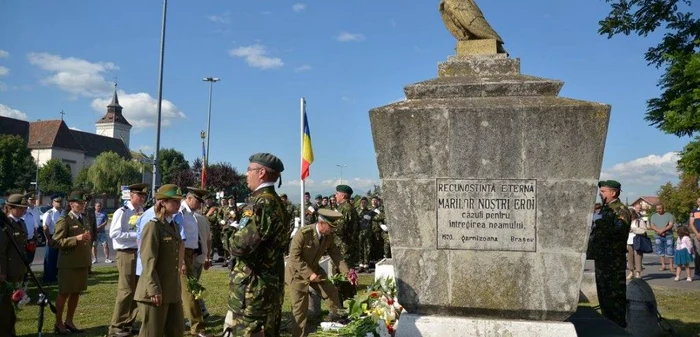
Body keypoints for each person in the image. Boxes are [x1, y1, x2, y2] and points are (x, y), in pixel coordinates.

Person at [225, 153, 292, 337]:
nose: (246, 174)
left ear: (261, 172)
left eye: (249, 170)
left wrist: (228, 229)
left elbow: (238, 247)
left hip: (253, 291)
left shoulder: (260, 204)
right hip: (270, 288)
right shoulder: (278, 203)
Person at [287, 209, 350, 337]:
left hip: (315, 269)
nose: (332, 230)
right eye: (330, 227)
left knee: (331, 291)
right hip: (297, 273)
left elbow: (336, 254)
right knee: (300, 310)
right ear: (322, 224)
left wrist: (347, 273)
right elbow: (294, 257)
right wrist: (309, 274)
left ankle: (338, 321)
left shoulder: (328, 236)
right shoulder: (303, 234)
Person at [134, 184, 185, 337]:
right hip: (155, 291)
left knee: (176, 331)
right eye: (174, 201)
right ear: (162, 202)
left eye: (179, 201)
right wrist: (153, 289)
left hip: (170, 290)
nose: (178, 204)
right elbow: (148, 260)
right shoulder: (153, 226)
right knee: (152, 333)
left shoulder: (173, 225)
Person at [108, 183, 148, 337]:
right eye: (140, 195)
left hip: (138, 253)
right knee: (126, 290)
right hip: (126, 253)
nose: (142, 198)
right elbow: (114, 233)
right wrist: (136, 235)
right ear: (131, 196)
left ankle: (128, 323)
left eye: (144, 196)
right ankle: (116, 325)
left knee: (137, 290)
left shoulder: (142, 212)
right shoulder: (122, 212)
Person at [590, 180, 631, 328]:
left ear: (613, 193)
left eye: (603, 191)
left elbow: (619, 232)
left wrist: (599, 222)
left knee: (614, 296)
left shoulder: (620, 210)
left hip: (613, 260)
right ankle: (607, 325)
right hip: (602, 258)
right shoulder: (605, 209)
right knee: (604, 295)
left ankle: (618, 328)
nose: (601, 194)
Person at [53, 191, 93, 334]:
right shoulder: (64, 220)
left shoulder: (84, 218)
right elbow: (56, 242)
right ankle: (58, 323)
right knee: (64, 294)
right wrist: (76, 239)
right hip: (68, 264)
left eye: (83, 203)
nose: (82, 206)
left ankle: (69, 321)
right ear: (71, 204)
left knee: (76, 293)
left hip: (81, 262)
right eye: (79, 203)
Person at [178, 187, 212, 337]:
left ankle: (180, 322)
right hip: (183, 254)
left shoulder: (191, 213)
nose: (199, 204)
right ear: (189, 198)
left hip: (190, 254)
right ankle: (197, 328)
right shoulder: (181, 212)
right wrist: (182, 261)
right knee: (190, 291)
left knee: (185, 290)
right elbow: (179, 236)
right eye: (197, 201)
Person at [0, 194, 29, 337]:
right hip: (7, 272)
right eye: (21, 208)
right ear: (10, 208)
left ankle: (12, 331)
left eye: (25, 208)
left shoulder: (20, 223)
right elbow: (1, 252)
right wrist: (2, 272)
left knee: (14, 303)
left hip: (18, 270)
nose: (24, 211)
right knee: (6, 305)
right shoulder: (5, 225)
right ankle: (5, 333)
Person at [333, 184, 360, 269]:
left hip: (343, 246)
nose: (335, 196)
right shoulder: (349, 207)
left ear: (343, 195)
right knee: (348, 271)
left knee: (343, 271)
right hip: (348, 245)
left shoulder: (345, 209)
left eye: (337, 193)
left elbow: (340, 229)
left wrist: (329, 225)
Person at [42, 194, 64, 284]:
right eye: (57, 202)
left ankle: (56, 276)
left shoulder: (64, 212)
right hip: (52, 237)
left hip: (61, 238)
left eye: (60, 202)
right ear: (52, 203)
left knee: (59, 259)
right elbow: (45, 227)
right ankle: (48, 278)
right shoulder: (49, 213)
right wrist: (48, 239)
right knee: (49, 259)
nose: (59, 203)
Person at [650, 204, 675, 271]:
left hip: (668, 236)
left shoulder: (669, 215)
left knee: (670, 250)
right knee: (660, 250)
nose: (658, 210)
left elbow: (670, 225)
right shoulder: (653, 216)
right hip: (658, 236)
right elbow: (652, 225)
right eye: (657, 209)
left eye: (660, 209)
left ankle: (671, 266)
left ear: (663, 208)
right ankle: (663, 265)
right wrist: (659, 231)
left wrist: (662, 230)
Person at [626, 211, 647, 279]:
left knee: (638, 257)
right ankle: (631, 272)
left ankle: (638, 273)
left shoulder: (640, 221)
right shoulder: (627, 222)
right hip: (629, 241)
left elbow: (644, 230)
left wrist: (634, 229)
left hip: (637, 241)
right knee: (630, 258)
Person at [689, 197, 700, 280]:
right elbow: (691, 224)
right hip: (697, 235)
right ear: (697, 203)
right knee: (698, 254)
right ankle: (697, 273)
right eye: (699, 202)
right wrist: (697, 234)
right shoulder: (694, 211)